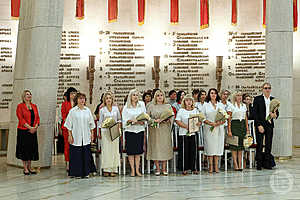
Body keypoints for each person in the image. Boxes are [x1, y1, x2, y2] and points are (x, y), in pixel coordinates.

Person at [64, 92, 96, 178]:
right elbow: (68, 125)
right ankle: (76, 173)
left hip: (86, 136)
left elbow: (91, 124)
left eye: (83, 98)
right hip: (76, 136)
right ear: (76, 100)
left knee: (86, 154)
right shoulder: (72, 111)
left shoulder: (87, 110)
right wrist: (70, 135)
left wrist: (92, 134)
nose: (82, 100)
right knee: (76, 155)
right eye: (80, 98)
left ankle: (86, 172)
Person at [146, 89, 174, 176]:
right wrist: (154, 121)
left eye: (161, 95)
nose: (160, 97)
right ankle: (157, 168)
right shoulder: (150, 106)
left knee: (164, 147)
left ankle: (164, 168)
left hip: (164, 129)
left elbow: (172, 117)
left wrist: (167, 120)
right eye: (158, 95)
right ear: (155, 97)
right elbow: (147, 118)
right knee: (156, 148)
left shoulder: (168, 106)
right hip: (154, 130)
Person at [253, 82, 279, 170]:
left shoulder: (273, 99)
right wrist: (259, 125)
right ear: (262, 89)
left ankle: (267, 163)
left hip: (269, 125)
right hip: (261, 125)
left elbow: (277, 113)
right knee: (260, 144)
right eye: (265, 88)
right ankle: (259, 164)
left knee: (268, 144)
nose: (267, 90)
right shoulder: (257, 99)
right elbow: (255, 114)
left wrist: (274, 115)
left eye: (269, 88)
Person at [122, 89, 146, 177]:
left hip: (139, 130)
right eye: (133, 95)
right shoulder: (126, 107)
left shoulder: (142, 105)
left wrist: (141, 121)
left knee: (138, 152)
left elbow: (145, 116)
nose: (135, 97)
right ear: (130, 96)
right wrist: (130, 121)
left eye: (136, 95)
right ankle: (132, 170)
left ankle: (137, 170)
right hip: (130, 131)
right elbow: (124, 120)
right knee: (131, 152)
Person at [175, 94, 201, 175]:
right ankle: (184, 168)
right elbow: (178, 121)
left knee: (194, 151)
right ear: (184, 102)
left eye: (190, 100)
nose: (189, 102)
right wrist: (187, 126)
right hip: (183, 133)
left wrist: (198, 123)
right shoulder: (181, 110)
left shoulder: (196, 110)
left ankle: (194, 168)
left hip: (193, 133)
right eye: (187, 100)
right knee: (184, 151)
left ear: (193, 102)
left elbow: (200, 120)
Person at [16, 90, 40, 175]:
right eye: (27, 94)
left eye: (30, 94)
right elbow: (21, 119)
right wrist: (30, 128)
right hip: (23, 131)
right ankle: (25, 168)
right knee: (24, 149)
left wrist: (35, 127)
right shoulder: (20, 106)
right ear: (23, 97)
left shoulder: (34, 106)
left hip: (33, 131)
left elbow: (37, 118)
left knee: (31, 149)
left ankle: (30, 166)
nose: (29, 95)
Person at [203, 88, 226, 173]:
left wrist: (219, 122)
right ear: (209, 95)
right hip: (209, 128)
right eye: (211, 93)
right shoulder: (205, 105)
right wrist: (210, 123)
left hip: (219, 128)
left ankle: (216, 166)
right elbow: (202, 117)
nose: (213, 95)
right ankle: (210, 167)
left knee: (217, 147)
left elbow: (225, 117)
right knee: (210, 147)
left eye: (215, 93)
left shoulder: (221, 105)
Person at [98, 92, 121, 177]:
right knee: (106, 150)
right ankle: (106, 169)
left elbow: (119, 120)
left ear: (112, 99)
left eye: (110, 98)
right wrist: (99, 132)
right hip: (105, 132)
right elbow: (100, 122)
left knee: (114, 150)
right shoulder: (102, 110)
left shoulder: (116, 109)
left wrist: (118, 130)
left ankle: (114, 169)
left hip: (114, 131)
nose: (108, 100)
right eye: (107, 98)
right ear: (104, 100)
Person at [227, 91, 249, 171]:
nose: (239, 97)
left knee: (240, 146)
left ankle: (240, 164)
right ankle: (235, 164)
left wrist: (247, 129)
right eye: (238, 95)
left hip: (242, 125)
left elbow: (246, 117)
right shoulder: (231, 106)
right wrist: (229, 130)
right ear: (235, 97)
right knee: (234, 146)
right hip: (234, 125)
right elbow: (229, 118)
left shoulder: (244, 106)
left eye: (240, 95)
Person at [61, 87, 77, 172]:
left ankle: (74, 161)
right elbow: (64, 116)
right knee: (67, 145)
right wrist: (70, 123)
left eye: (74, 93)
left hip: (76, 128)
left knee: (75, 145)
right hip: (67, 127)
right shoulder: (64, 104)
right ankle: (67, 162)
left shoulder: (77, 104)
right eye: (71, 93)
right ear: (68, 94)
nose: (73, 95)